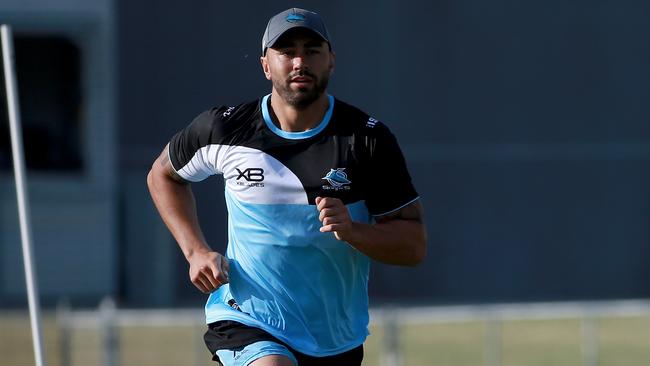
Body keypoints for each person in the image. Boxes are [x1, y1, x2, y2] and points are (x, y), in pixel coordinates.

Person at [147, 7, 426, 366]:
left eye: (312, 51)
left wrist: (353, 231)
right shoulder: (224, 129)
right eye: (287, 52)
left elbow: (414, 245)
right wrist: (195, 251)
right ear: (266, 64)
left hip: (333, 337)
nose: (299, 62)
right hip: (249, 319)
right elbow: (163, 175)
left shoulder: (367, 141)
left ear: (331, 61)